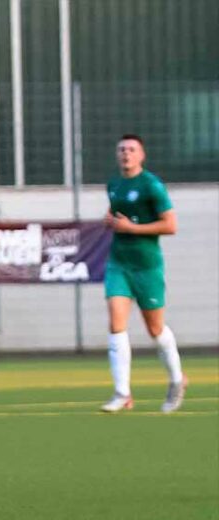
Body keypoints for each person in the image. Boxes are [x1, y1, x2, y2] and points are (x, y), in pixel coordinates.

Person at [100, 134, 186, 413]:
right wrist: (109, 220)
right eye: (121, 149)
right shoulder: (113, 183)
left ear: (142, 155)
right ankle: (122, 393)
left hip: (147, 266)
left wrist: (132, 229)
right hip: (119, 263)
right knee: (116, 323)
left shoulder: (152, 185)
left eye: (131, 149)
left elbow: (170, 226)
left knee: (155, 329)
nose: (125, 154)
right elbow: (116, 212)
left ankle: (176, 380)